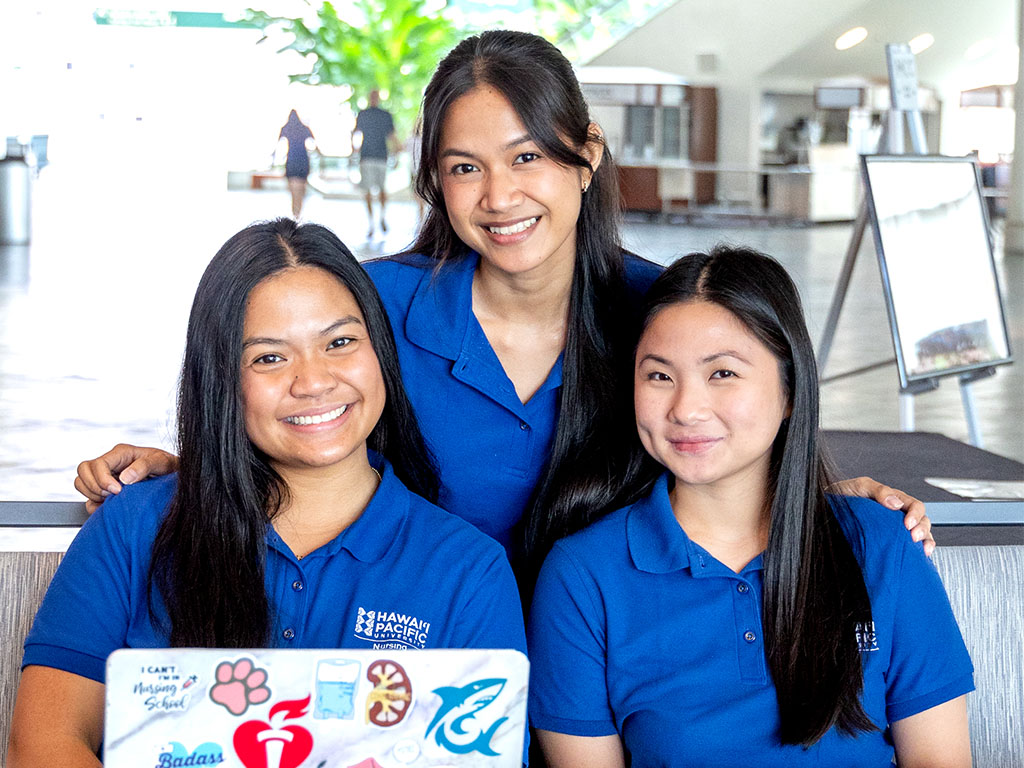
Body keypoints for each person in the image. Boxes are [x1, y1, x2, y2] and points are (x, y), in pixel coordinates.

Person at [73, 31, 932, 588]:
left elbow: (741, 441)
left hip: (612, 685)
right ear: (435, 183)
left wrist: (833, 500)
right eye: (464, 167)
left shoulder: (662, 312)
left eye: (527, 156)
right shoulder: (374, 307)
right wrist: (184, 467)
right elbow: (304, 416)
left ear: (585, 156)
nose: (499, 196)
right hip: (417, 677)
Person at [7, 220, 525, 768]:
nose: (314, 381)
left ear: (381, 354)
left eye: (341, 342)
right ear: (222, 380)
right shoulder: (132, 528)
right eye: (269, 358)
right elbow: (42, 744)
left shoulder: (469, 571)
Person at [527, 246, 973, 768]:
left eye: (722, 374)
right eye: (658, 376)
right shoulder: (583, 578)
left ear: (789, 391)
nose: (686, 409)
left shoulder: (883, 546)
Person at [352, 90, 398, 238]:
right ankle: (372, 222)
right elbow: (355, 133)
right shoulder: (363, 114)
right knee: (367, 191)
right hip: (366, 157)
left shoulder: (385, 115)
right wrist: (353, 150)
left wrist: (396, 152)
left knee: (382, 190)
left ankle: (382, 217)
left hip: (381, 157)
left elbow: (392, 136)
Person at [278, 109, 316, 218]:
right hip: (303, 161)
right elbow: (314, 144)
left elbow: (278, 144)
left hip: (291, 161)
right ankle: (298, 213)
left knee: (293, 191)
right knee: (301, 189)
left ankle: (295, 213)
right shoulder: (304, 128)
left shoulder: (286, 128)